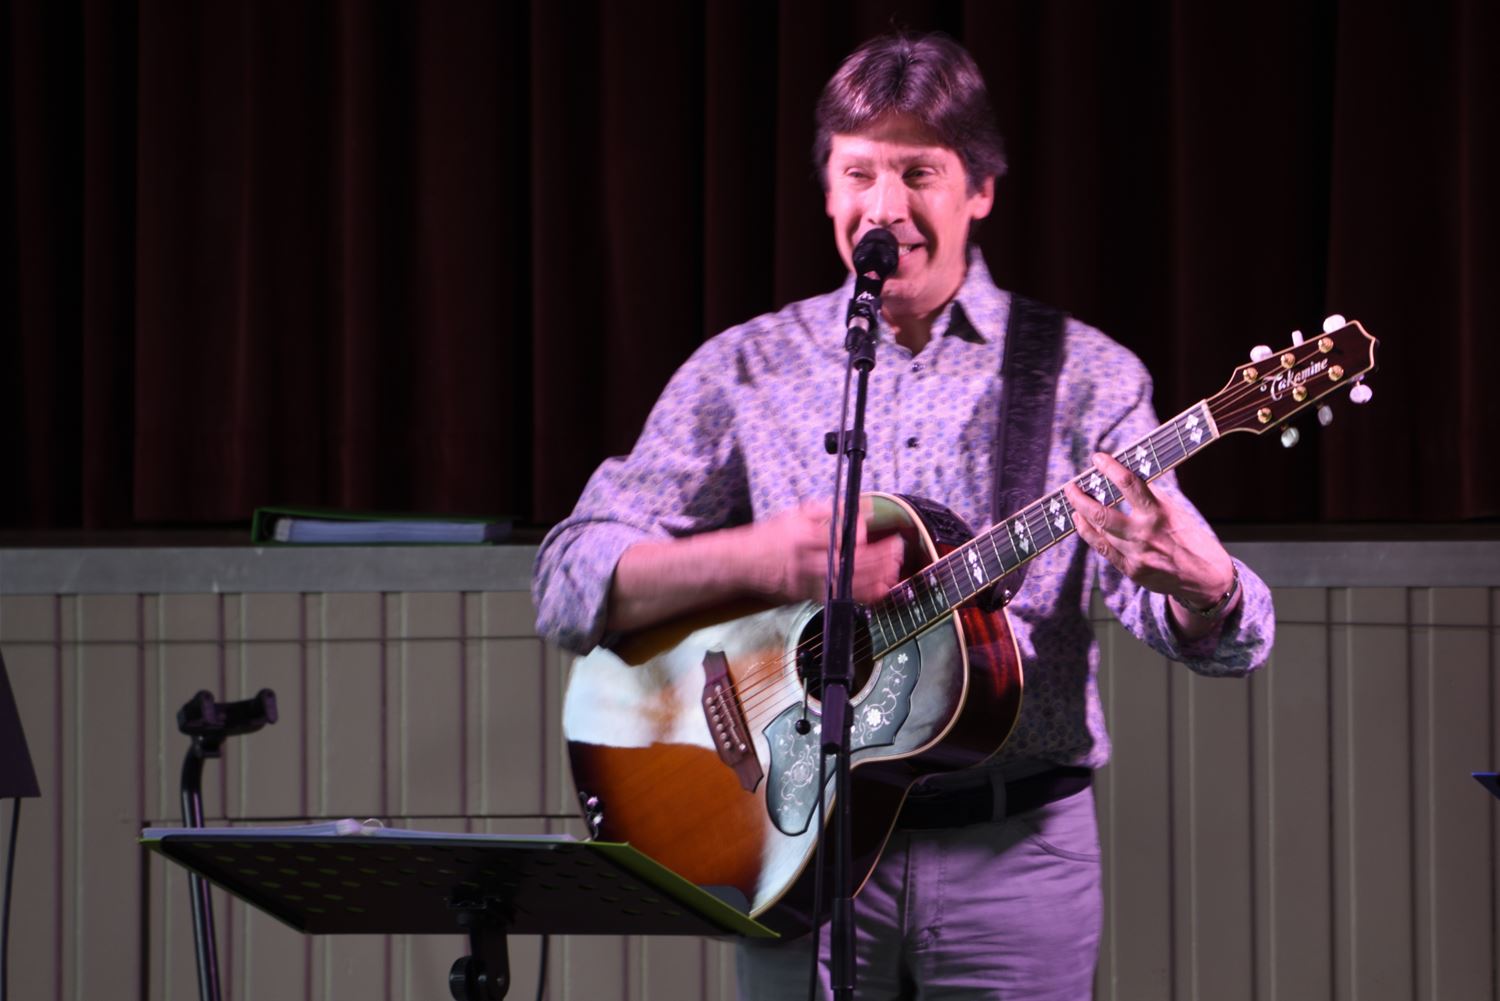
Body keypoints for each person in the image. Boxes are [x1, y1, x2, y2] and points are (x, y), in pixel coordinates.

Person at [533, 32, 1273, 1001]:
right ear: (828, 192)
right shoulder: (746, 368)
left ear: (981, 190)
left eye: (919, 171)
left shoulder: (1087, 375)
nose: (885, 206)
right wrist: (759, 559)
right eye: (860, 173)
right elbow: (567, 581)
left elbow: (1215, 638)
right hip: (801, 843)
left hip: (1017, 856)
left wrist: (1205, 586)